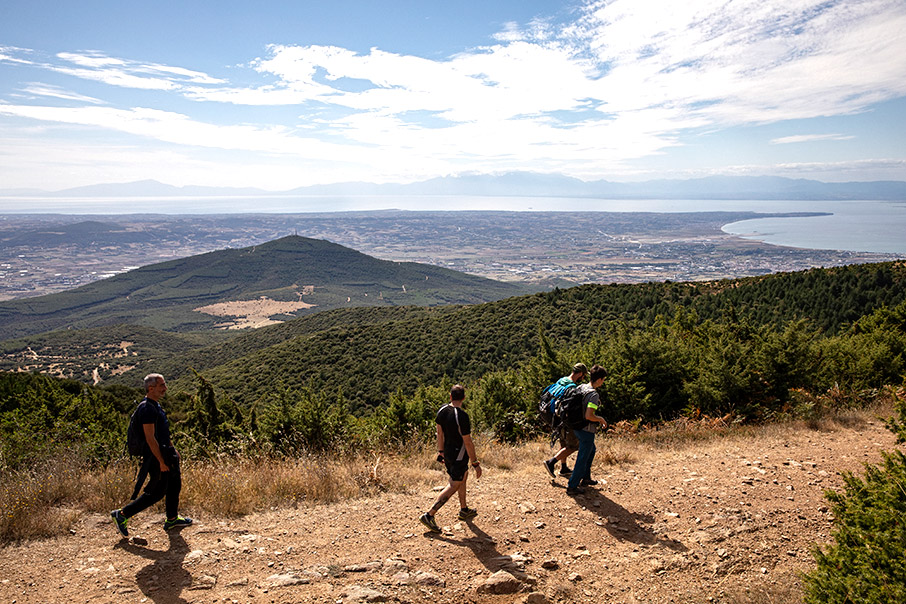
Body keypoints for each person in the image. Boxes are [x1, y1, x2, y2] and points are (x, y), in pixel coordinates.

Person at [110, 374, 193, 537]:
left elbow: (163, 433)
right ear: (151, 388)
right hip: (156, 456)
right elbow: (150, 438)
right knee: (157, 492)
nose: (165, 388)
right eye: (162, 385)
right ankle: (122, 514)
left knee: (175, 485)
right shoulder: (147, 408)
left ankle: (172, 519)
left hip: (166, 453)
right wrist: (161, 461)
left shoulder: (155, 405)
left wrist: (172, 449)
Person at [419, 384, 482, 532]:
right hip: (459, 455)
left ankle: (464, 509)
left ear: (450, 396)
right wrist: (475, 462)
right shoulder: (462, 416)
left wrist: (440, 451)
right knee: (455, 483)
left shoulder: (442, 410)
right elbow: (468, 441)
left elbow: (439, 434)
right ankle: (429, 515)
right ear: (464, 398)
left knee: (463, 476)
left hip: (447, 453)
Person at [566, 364, 608, 496]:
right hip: (586, 430)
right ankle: (572, 486)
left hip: (576, 426)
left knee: (591, 450)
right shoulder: (594, 395)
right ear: (600, 379)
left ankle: (586, 478)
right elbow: (589, 415)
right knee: (582, 457)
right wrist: (600, 419)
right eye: (603, 379)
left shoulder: (582, 387)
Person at [542, 362, 588, 479]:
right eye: (584, 376)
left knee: (563, 441)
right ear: (581, 374)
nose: (584, 378)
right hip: (563, 419)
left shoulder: (562, 380)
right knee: (573, 445)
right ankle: (551, 462)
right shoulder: (571, 387)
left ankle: (564, 467)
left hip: (554, 417)